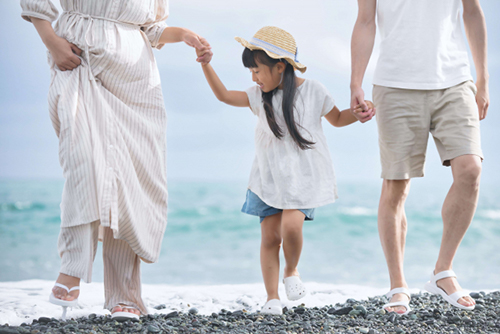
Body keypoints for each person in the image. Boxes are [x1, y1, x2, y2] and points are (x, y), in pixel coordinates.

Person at [20, 0, 212, 320]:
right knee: (84, 159)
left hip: (137, 84)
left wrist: (185, 35)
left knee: (130, 179)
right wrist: (52, 42)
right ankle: (72, 267)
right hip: (78, 62)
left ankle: (124, 295)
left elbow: (150, 28)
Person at [196, 26, 375, 314]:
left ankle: (291, 270)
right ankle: (272, 298)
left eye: (257, 71)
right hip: (267, 178)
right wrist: (207, 65)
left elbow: (339, 119)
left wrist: (361, 113)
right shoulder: (258, 96)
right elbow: (224, 96)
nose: (253, 77)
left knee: (291, 226)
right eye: (251, 72)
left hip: (303, 179)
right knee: (269, 238)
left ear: (280, 67)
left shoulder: (314, 90)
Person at [350, 0, 489, 314]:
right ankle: (398, 287)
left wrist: (483, 79)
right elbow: (365, 20)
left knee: (470, 171)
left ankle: (443, 271)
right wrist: (355, 82)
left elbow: (472, 11)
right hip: (395, 84)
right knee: (396, 186)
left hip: (454, 80)